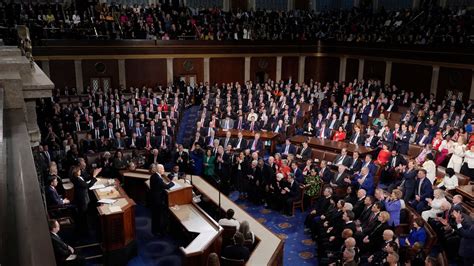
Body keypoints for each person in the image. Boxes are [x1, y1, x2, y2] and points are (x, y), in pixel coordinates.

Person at [150, 163, 175, 236]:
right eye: (163, 169)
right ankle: (157, 231)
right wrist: (173, 182)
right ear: (159, 169)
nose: (164, 170)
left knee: (155, 216)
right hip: (157, 200)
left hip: (154, 198)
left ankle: (155, 230)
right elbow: (166, 187)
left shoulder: (154, 176)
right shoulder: (158, 178)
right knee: (158, 216)